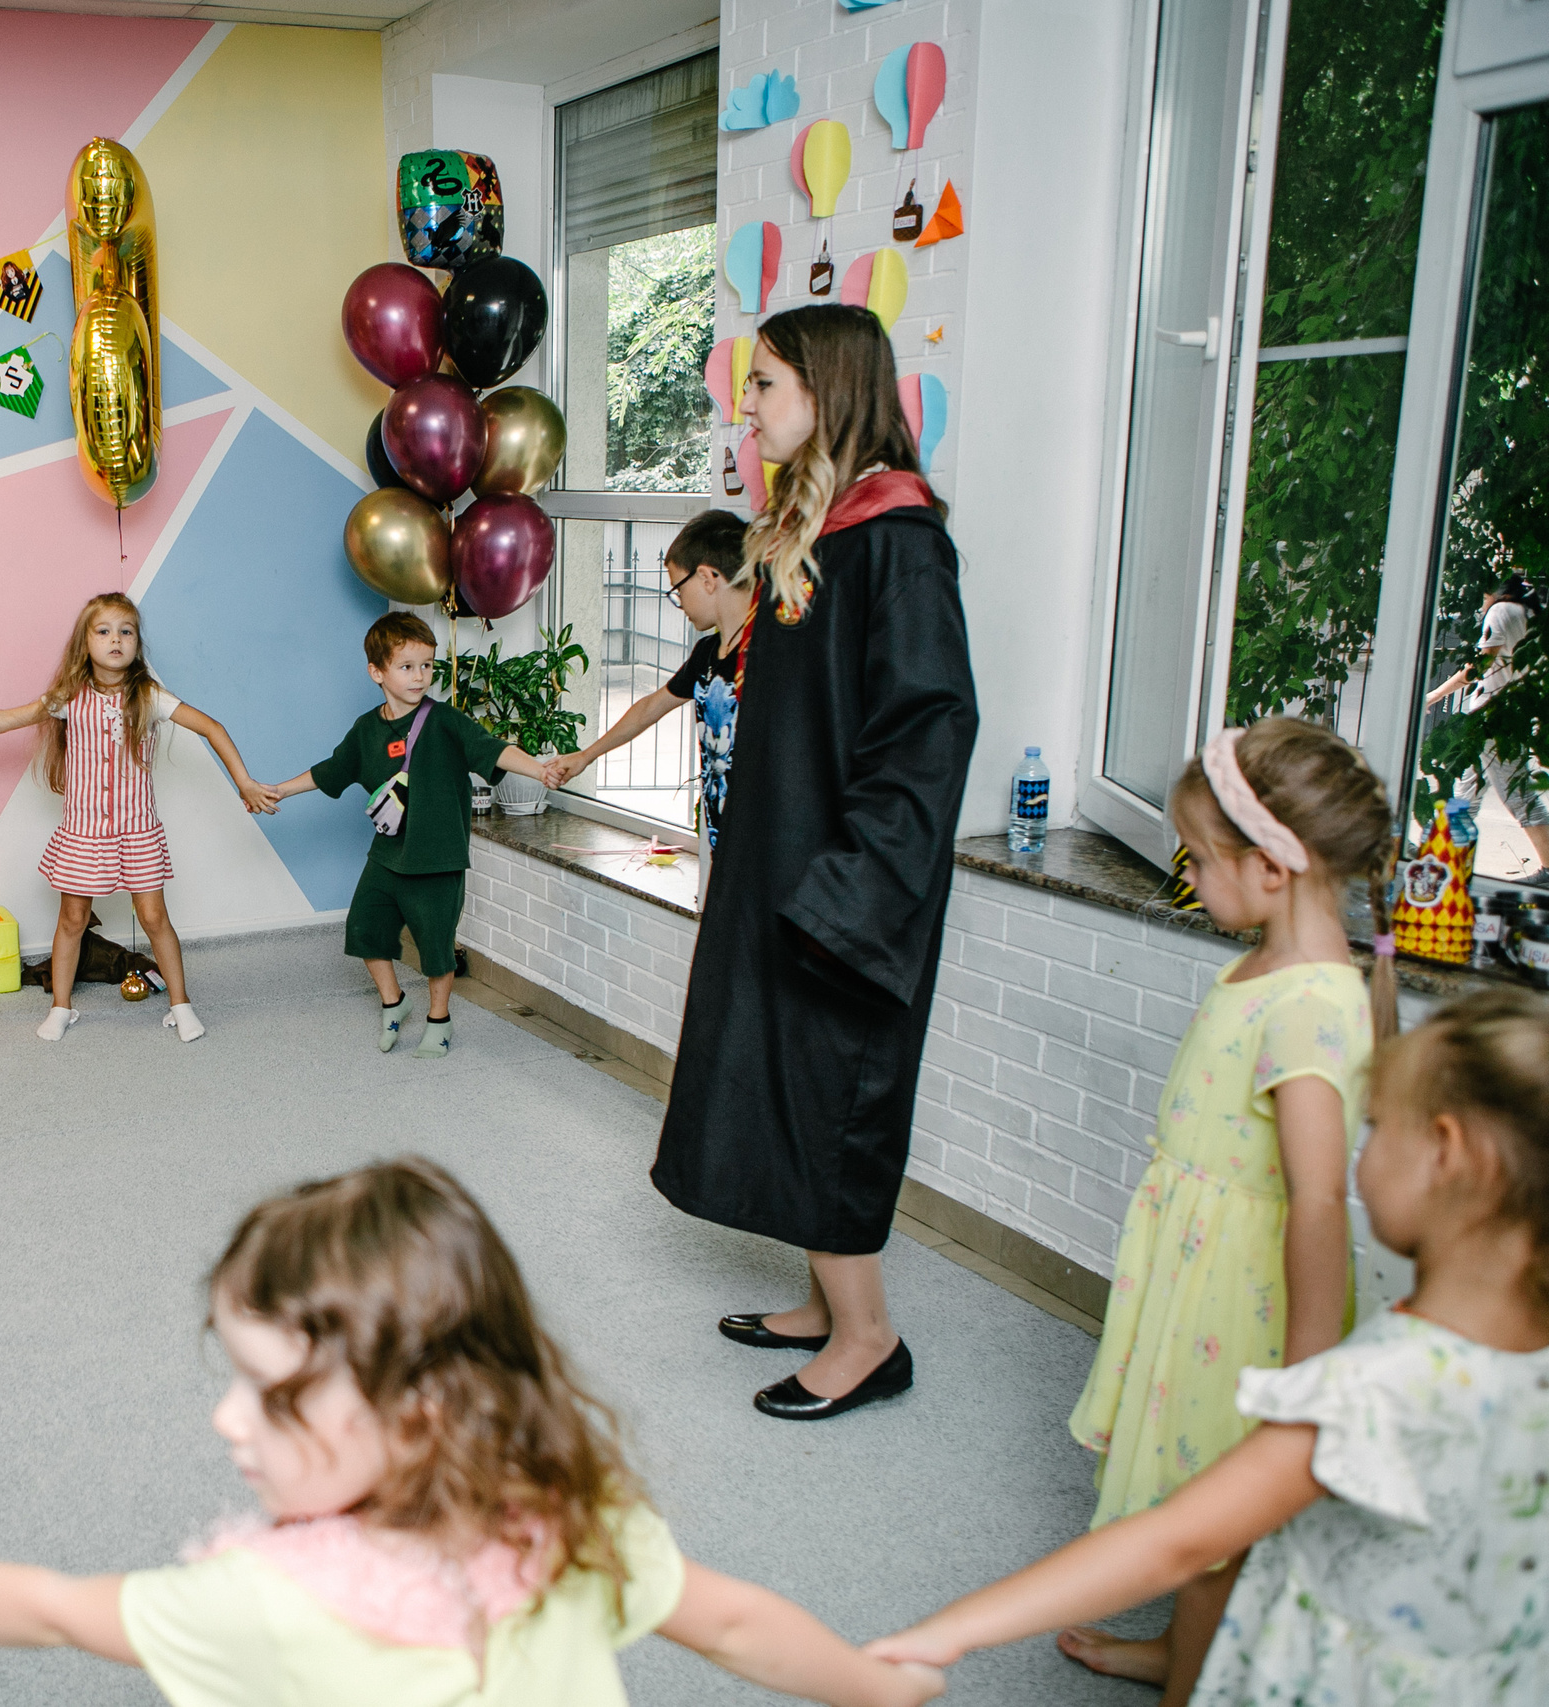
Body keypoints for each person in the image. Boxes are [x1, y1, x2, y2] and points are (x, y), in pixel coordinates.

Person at [0, 1157, 944, 1707]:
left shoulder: (271, 1605)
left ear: (424, 1411)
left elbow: (48, 1611)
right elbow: (731, 1622)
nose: (223, 1419)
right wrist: (874, 1685)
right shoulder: (565, 1515)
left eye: (272, 1393)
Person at [868, 986, 1549, 1705]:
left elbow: (1176, 1540)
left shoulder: (1373, 1390)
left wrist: (952, 1629)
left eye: (1376, 1127)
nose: (1359, 1150)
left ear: (1446, 1152)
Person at [656, 305, 979, 1423]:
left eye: (765, 386)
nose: (746, 407)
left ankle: (869, 1340)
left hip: (845, 887)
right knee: (780, 1080)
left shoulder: (899, 542)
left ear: (828, 392)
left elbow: (930, 730)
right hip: (785, 862)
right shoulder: (819, 527)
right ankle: (823, 1303)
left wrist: (849, 890)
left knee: (833, 1094)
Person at [1053, 718, 1397, 1703]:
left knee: (1211, 1526)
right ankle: (1182, 1650)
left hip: (1244, 1303)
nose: (1189, 878)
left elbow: (1318, 1203)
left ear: (1274, 868)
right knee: (1194, 1487)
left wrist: (1301, 1376)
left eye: (1199, 859)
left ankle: (1188, 1688)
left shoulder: (1309, 1006)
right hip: (1201, 1275)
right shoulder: (1261, 969)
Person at [0, 593, 277, 1044]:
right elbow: (3, 719)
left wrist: (244, 782)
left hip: (138, 832)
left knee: (154, 918)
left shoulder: (149, 696)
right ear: (85, 642)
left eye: (126, 631)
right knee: (72, 920)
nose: (116, 639)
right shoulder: (68, 698)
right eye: (104, 631)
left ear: (136, 644)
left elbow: (212, 727)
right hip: (84, 833)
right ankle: (61, 1007)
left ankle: (181, 1004)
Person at [259, 613, 553, 1058]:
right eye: (407, 666)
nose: (420, 676)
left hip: (438, 858)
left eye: (428, 665)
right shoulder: (366, 729)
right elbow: (331, 771)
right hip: (388, 855)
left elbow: (495, 751)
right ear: (377, 672)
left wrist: (541, 769)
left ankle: (440, 1018)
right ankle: (394, 1001)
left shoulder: (447, 722)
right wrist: (281, 789)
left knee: (437, 950)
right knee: (364, 930)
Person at [544, 510, 753, 847]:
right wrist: (586, 756)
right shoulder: (707, 652)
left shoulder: (770, 652)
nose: (679, 602)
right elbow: (649, 709)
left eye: (678, 588)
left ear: (707, 578)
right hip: (722, 839)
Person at [1422, 572, 1548, 874]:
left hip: (1492, 720)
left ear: (1495, 591)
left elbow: (1479, 666)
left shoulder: (1501, 612)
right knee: (1465, 796)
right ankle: (1443, 859)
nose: (1481, 605)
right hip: (1505, 718)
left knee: (1519, 798)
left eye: (1482, 597)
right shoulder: (1530, 615)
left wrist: (1437, 694)